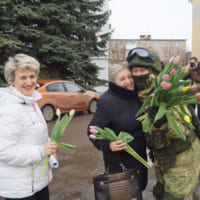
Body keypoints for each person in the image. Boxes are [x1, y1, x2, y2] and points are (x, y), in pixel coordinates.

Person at [127, 47, 200, 200]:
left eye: (143, 70)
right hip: (163, 160)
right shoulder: (140, 94)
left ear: (154, 71)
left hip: (182, 161)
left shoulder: (168, 93)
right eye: (135, 71)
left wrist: (164, 123)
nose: (139, 74)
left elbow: (183, 130)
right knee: (160, 193)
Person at [0, 54, 58, 200]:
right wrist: (41, 151)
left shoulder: (30, 102)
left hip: (38, 184)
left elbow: (34, 134)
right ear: (12, 81)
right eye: (23, 77)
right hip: (20, 190)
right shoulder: (8, 109)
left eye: (32, 76)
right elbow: (5, 151)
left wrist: (49, 147)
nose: (29, 82)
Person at [87, 62, 148, 194]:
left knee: (138, 192)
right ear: (113, 82)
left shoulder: (136, 95)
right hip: (121, 165)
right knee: (125, 194)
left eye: (129, 76)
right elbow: (93, 129)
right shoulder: (107, 101)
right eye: (122, 79)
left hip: (139, 160)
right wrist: (108, 144)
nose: (128, 81)